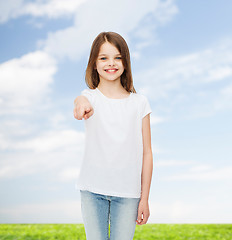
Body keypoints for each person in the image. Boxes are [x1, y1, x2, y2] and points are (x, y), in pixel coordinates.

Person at [73, 31, 153, 240]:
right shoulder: (88, 97)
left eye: (118, 57)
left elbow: (147, 153)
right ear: (94, 63)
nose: (111, 63)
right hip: (92, 191)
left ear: (126, 62)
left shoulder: (139, 103)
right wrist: (81, 106)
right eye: (104, 58)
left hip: (128, 194)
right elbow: (80, 104)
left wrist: (144, 199)